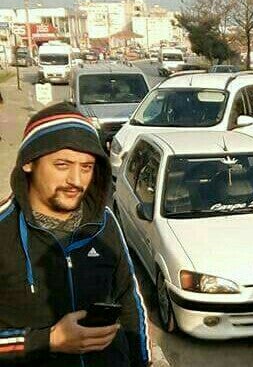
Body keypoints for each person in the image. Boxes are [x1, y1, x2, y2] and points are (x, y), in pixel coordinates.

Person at [0, 102, 151, 366]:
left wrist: (142, 361)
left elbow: (128, 298)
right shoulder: (4, 230)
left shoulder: (104, 222)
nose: (77, 181)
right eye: (62, 165)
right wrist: (48, 340)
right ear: (29, 163)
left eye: (86, 167)